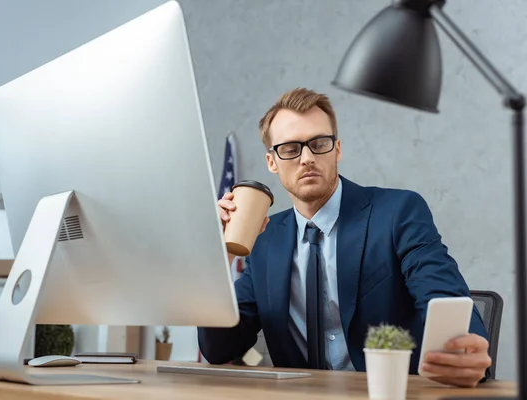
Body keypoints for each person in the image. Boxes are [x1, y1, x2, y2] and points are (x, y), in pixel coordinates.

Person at [197, 87, 492, 388]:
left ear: (337, 149)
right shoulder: (265, 238)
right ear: (272, 162)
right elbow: (219, 348)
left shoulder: (398, 212)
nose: (307, 158)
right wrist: (219, 257)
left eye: (319, 143)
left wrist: (467, 348)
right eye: (290, 149)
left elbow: (442, 296)